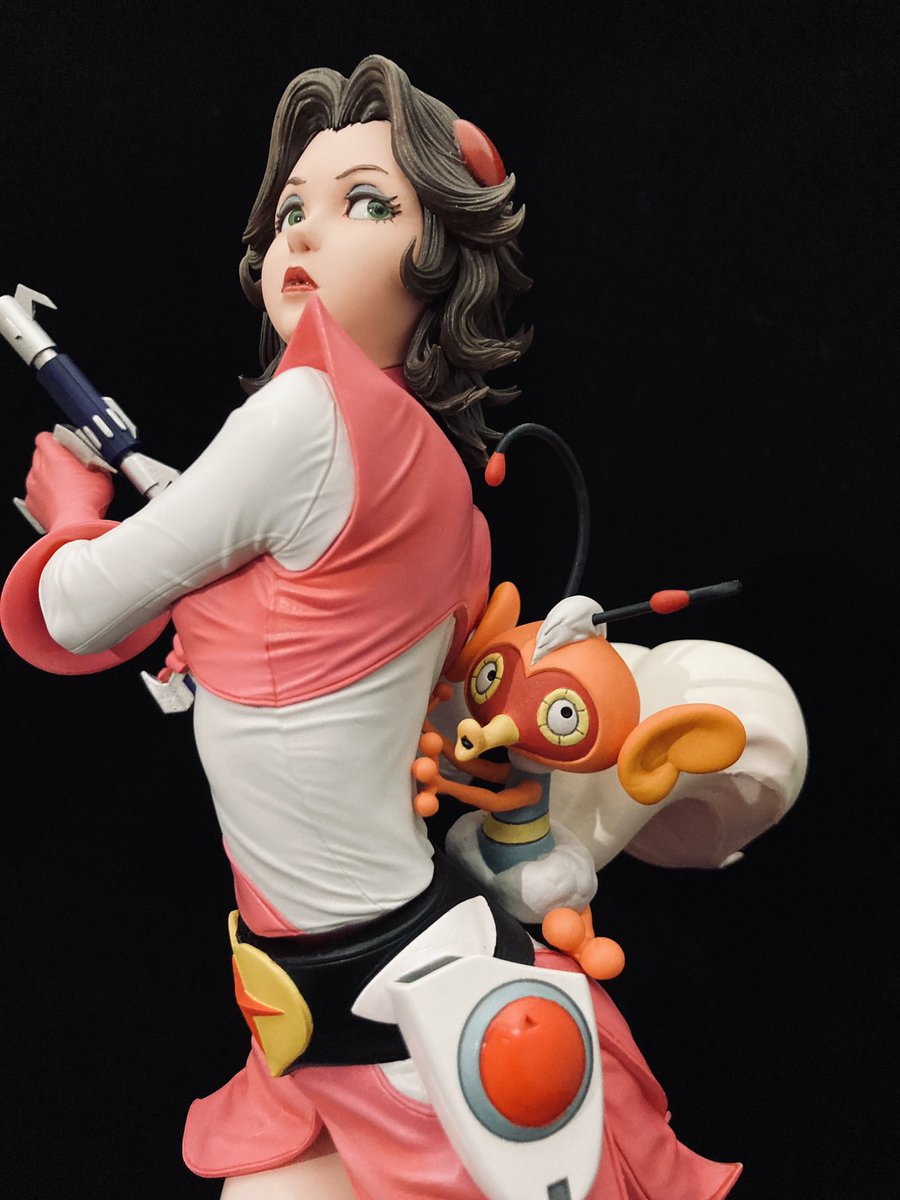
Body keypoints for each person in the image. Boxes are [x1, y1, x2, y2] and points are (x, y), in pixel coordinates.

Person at [2, 56, 768, 1200]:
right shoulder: (442, 481)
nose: (306, 234)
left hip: (379, 995)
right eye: (291, 211)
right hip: (333, 990)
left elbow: (75, 610)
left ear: (437, 255)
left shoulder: (302, 416)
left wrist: (72, 515)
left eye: (366, 204)